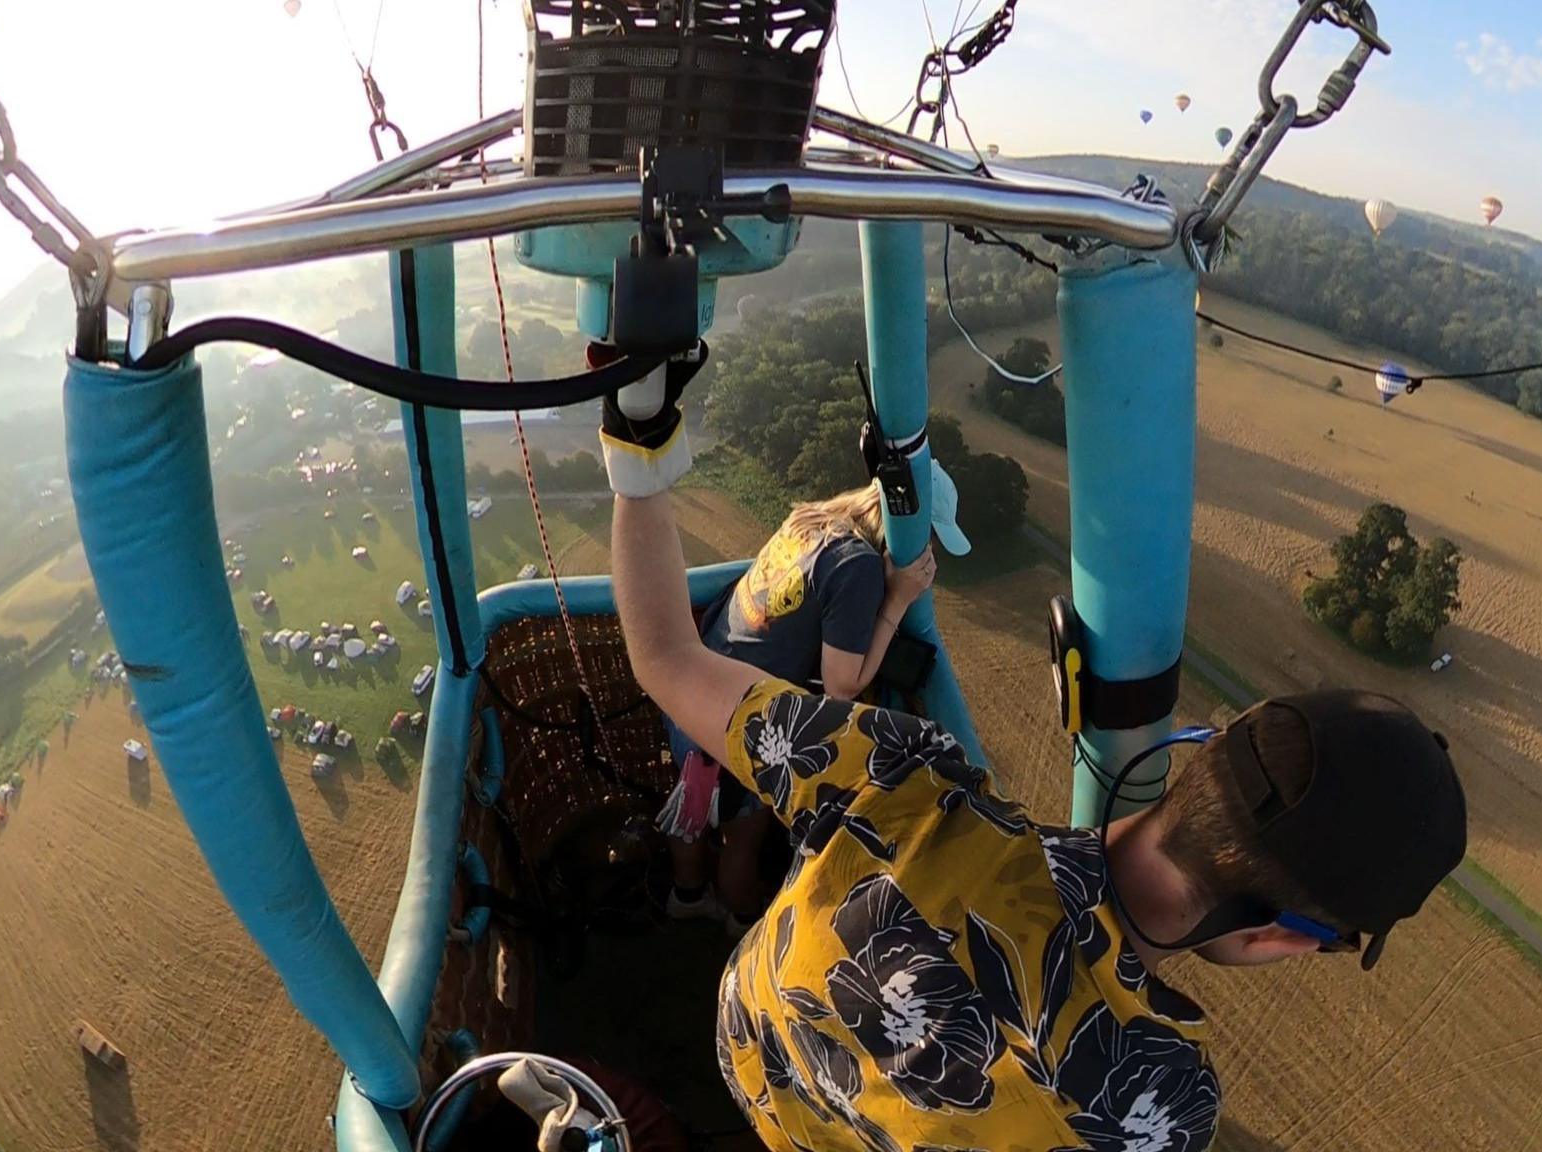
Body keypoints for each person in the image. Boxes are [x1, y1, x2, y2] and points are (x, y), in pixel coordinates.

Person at [598, 364, 1467, 1152]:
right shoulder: (1160, 1096)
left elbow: (666, 659)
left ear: (1200, 749)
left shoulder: (906, 778)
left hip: (750, 1053)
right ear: (1280, 936)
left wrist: (639, 440)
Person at [658, 477, 962, 930]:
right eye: (929, 540)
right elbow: (843, 686)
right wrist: (898, 599)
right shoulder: (857, 567)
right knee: (742, 838)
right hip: (737, 724)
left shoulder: (814, 520)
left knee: (691, 808)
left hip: (696, 685)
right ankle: (740, 920)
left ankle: (687, 896)